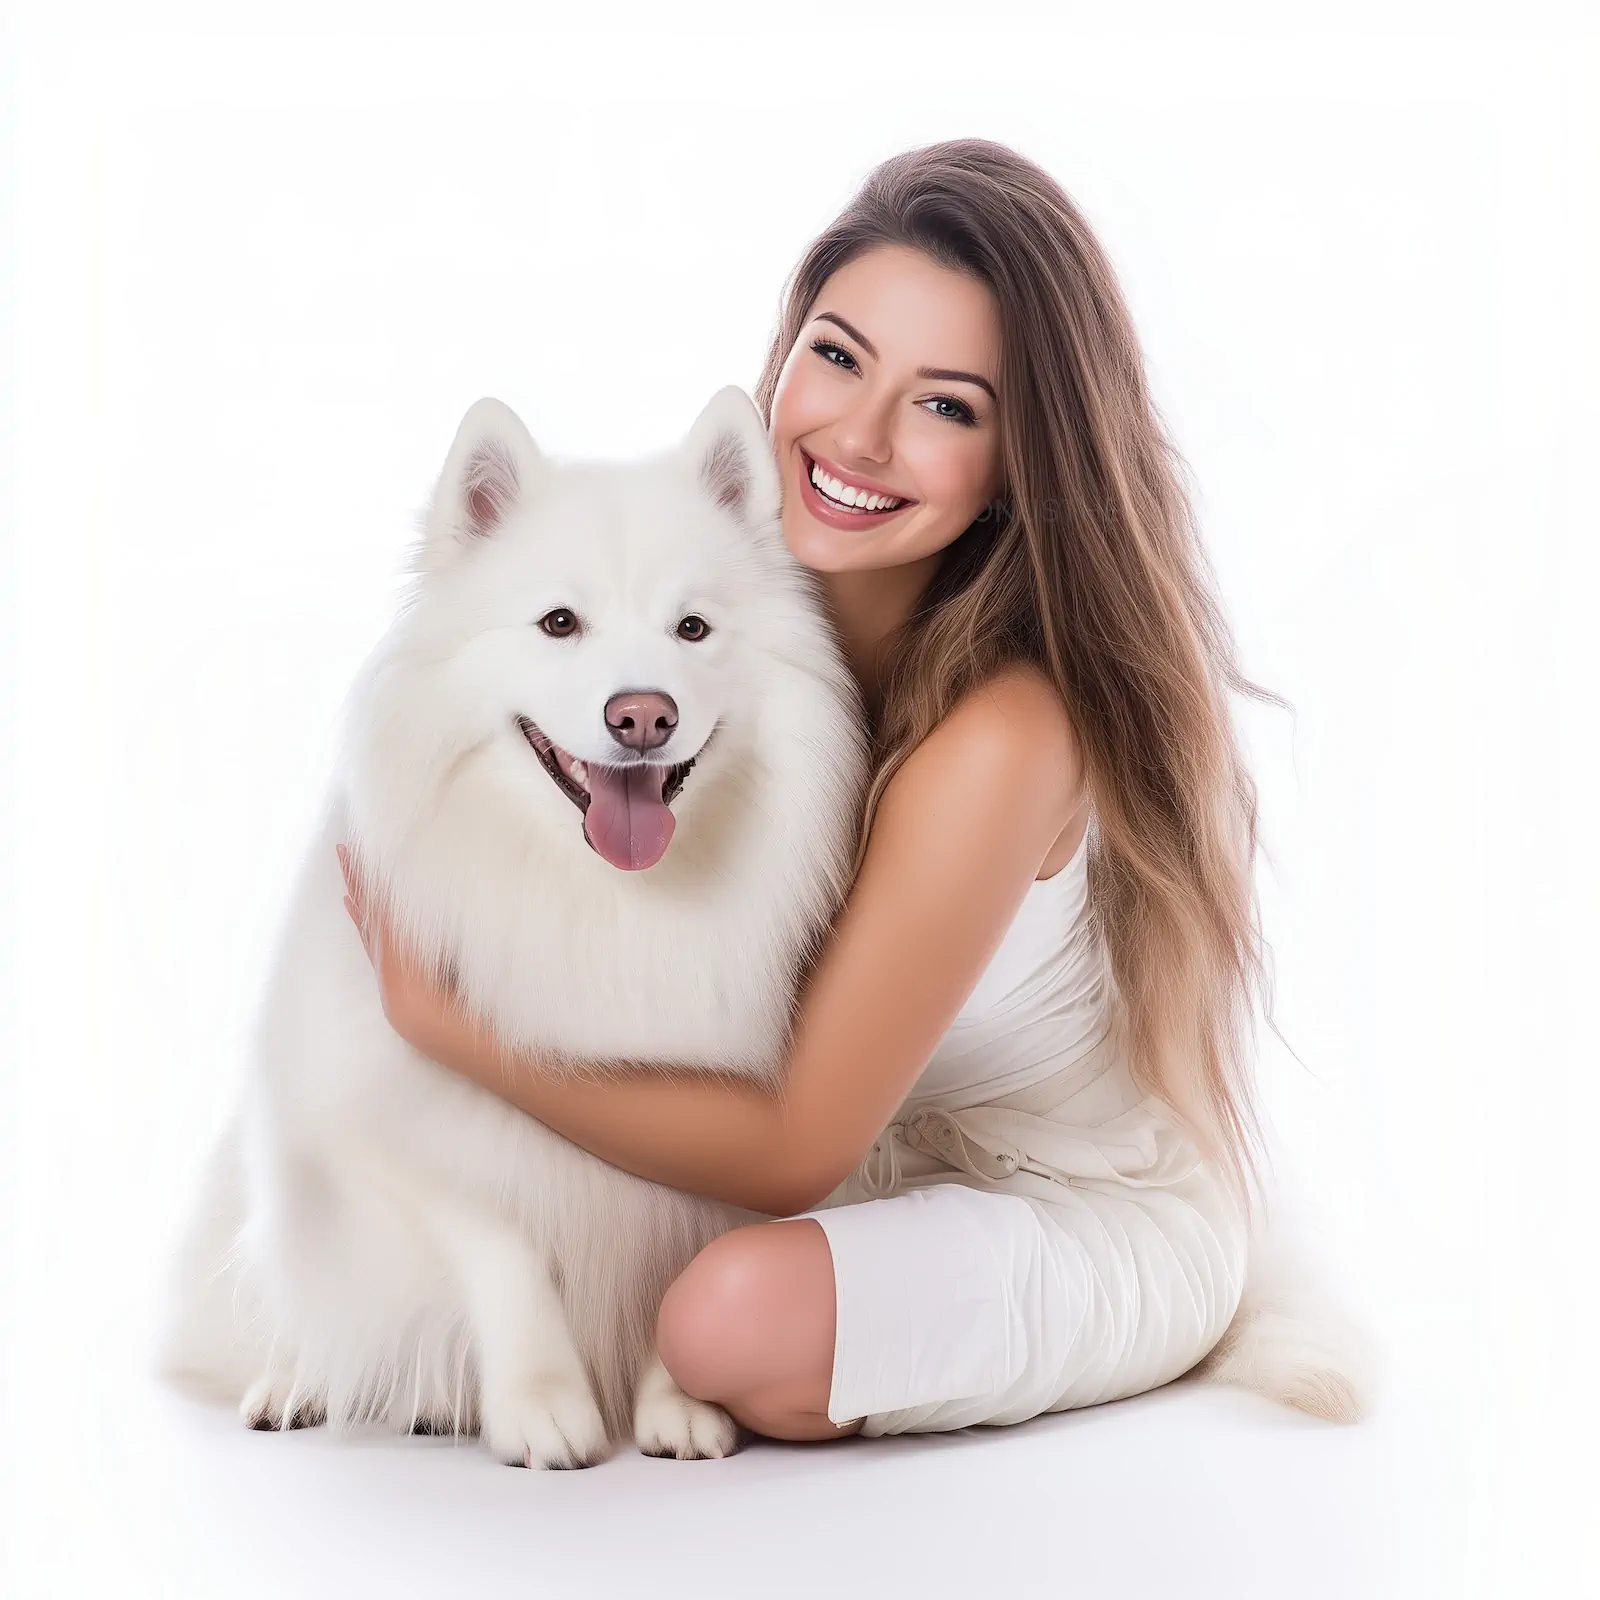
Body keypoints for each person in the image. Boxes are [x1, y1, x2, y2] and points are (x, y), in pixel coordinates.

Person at [338, 137, 1288, 1444]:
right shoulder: (717, 627)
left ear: (1021, 460)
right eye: (838, 357)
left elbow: (792, 1145)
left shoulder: (1004, 734)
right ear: (785, 356)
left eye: (946, 405)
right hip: (870, 1176)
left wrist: (445, 1021)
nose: (859, 435)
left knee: (722, 1323)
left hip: (1058, 1203)